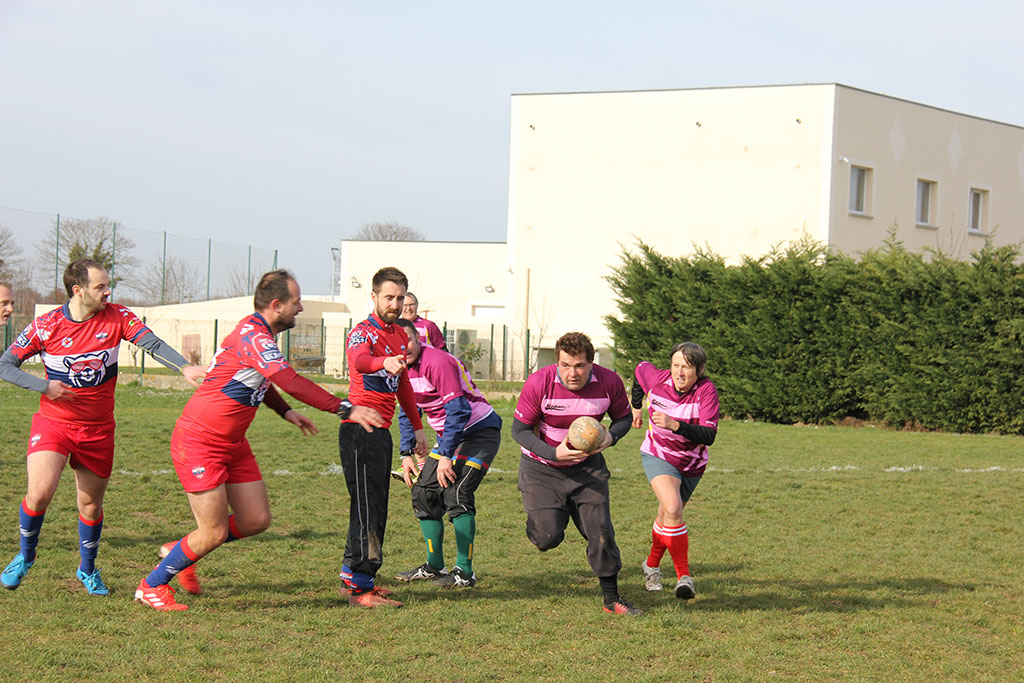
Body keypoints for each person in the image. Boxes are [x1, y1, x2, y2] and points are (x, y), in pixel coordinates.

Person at [134, 270, 383, 612]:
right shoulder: (254, 337)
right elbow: (290, 380)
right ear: (277, 305)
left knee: (255, 520)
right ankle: (151, 585)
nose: (300, 308)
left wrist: (285, 411)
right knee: (213, 532)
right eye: (296, 302)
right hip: (199, 441)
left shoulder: (260, 335)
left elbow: (261, 380)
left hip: (233, 443)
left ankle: (183, 550)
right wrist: (344, 408)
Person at [0, 259, 205, 595]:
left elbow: (152, 344)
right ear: (78, 290)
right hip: (54, 424)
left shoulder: (118, 317)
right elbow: (5, 365)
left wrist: (184, 367)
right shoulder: (46, 326)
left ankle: (87, 569)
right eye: (100, 286)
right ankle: (25, 556)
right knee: (39, 494)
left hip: (97, 430)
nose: (108, 291)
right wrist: (43, 386)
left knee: (90, 505)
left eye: (108, 285)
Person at [511, 331, 640, 616]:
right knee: (547, 537)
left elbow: (623, 418)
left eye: (580, 365)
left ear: (591, 363)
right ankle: (548, 520)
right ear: (557, 362)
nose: (572, 373)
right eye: (566, 365)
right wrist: (553, 453)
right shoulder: (539, 383)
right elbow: (519, 431)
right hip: (541, 469)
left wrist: (611, 437)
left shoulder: (609, 382)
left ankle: (612, 599)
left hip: (587, 469)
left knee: (601, 531)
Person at [340, 266, 428, 608]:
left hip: (381, 431)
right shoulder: (362, 332)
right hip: (359, 431)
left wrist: (417, 427)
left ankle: (352, 575)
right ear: (374, 297)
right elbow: (360, 360)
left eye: (400, 298)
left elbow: (403, 384)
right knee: (368, 509)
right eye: (389, 297)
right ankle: (361, 589)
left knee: (373, 506)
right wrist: (382, 363)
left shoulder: (398, 336)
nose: (395, 304)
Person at [393, 319, 502, 588]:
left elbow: (459, 410)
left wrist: (445, 456)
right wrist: (406, 453)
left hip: (478, 430)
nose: (403, 347)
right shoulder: (398, 367)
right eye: (396, 342)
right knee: (424, 492)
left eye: (408, 340)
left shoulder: (437, 362)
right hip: (450, 437)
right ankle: (434, 566)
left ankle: (464, 572)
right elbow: (408, 410)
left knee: (456, 492)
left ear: (418, 339)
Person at [631, 342, 719, 600]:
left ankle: (651, 566)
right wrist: (636, 406)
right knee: (672, 508)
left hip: (691, 464)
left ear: (699, 370)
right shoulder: (657, 379)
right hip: (658, 454)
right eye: (676, 365)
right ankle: (684, 577)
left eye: (687, 367)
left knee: (667, 515)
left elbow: (709, 435)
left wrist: (675, 425)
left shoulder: (706, 391)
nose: (679, 373)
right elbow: (639, 370)